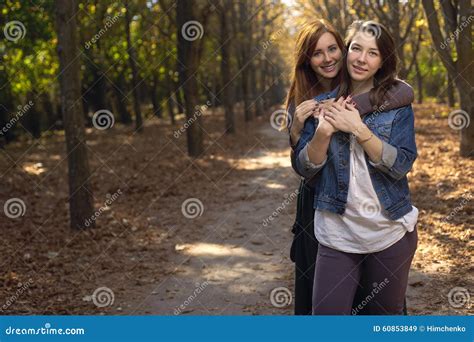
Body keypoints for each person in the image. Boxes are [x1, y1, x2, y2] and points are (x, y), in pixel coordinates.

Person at [286, 19, 414, 315]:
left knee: (380, 311)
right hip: (325, 206)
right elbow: (302, 164)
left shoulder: (391, 98)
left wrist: (356, 121)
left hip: (384, 222)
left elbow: (401, 94)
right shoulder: (306, 101)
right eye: (317, 53)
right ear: (307, 60)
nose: (327, 58)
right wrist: (300, 131)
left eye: (333, 49)